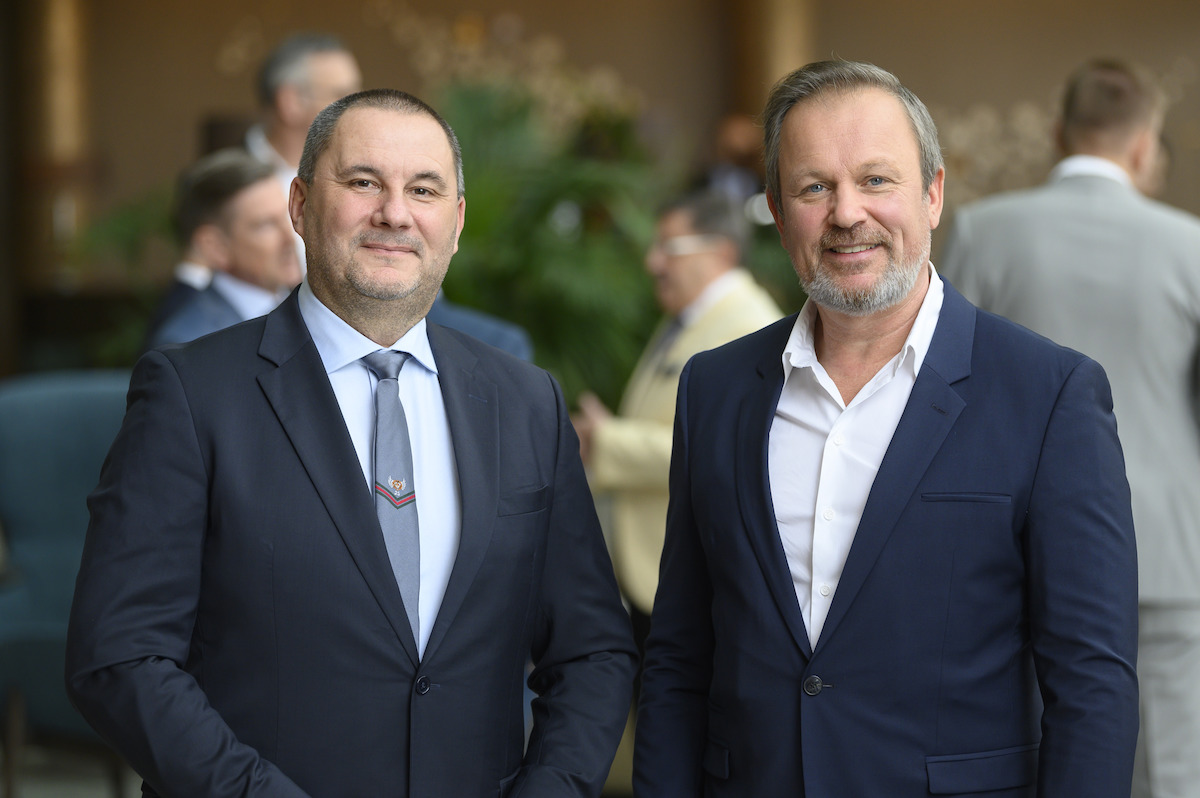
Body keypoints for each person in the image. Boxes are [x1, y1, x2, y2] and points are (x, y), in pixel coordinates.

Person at [67, 88, 636, 797]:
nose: (394, 213)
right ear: (300, 204)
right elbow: (120, 654)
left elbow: (593, 651)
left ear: (456, 222)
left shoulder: (526, 402)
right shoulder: (190, 393)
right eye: (363, 182)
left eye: (423, 189)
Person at [634, 60, 1139, 797]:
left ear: (932, 194)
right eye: (814, 187)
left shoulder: (1048, 394)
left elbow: (1092, 682)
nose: (847, 213)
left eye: (876, 180)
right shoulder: (714, 389)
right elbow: (680, 657)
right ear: (776, 210)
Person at [939, 59, 1200, 798]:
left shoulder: (983, 232)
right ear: (1144, 145)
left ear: (1057, 133)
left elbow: (941, 391)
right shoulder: (1191, 245)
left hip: (1007, 550)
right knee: (1171, 773)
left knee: (1015, 759)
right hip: (1166, 551)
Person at [574, 190, 781, 658]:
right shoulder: (693, 316)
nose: (653, 262)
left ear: (721, 251)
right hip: (651, 572)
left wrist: (605, 441)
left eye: (669, 246)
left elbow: (726, 451)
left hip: (686, 582)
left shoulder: (749, 327)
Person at [145, 149, 301, 349]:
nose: (290, 237)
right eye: (266, 225)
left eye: (287, 216)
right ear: (215, 247)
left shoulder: (308, 312)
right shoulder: (189, 346)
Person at [246, 33, 363, 267]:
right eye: (342, 95)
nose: (359, 107)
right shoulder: (222, 184)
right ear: (290, 102)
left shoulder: (364, 172)